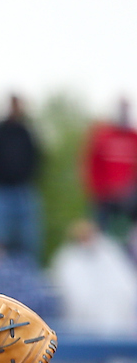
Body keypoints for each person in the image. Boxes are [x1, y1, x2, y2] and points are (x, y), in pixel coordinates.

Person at [0, 95, 42, 260]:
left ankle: (26, 277)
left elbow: (37, 157)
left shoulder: (26, 132)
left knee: (27, 238)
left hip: (23, 189)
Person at [50, 220, 137, 338]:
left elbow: (127, 285)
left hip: (120, 327)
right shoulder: (67, 259)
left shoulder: (111, 253)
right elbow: (70, 294)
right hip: (82, 330)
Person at [83, 100, 137, 238]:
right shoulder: (103, 136)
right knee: (101, 233)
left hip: (128, 196)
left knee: (129, 234)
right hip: (104, 196)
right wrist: (98, 189)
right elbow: (91, 164)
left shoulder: (133, 137)